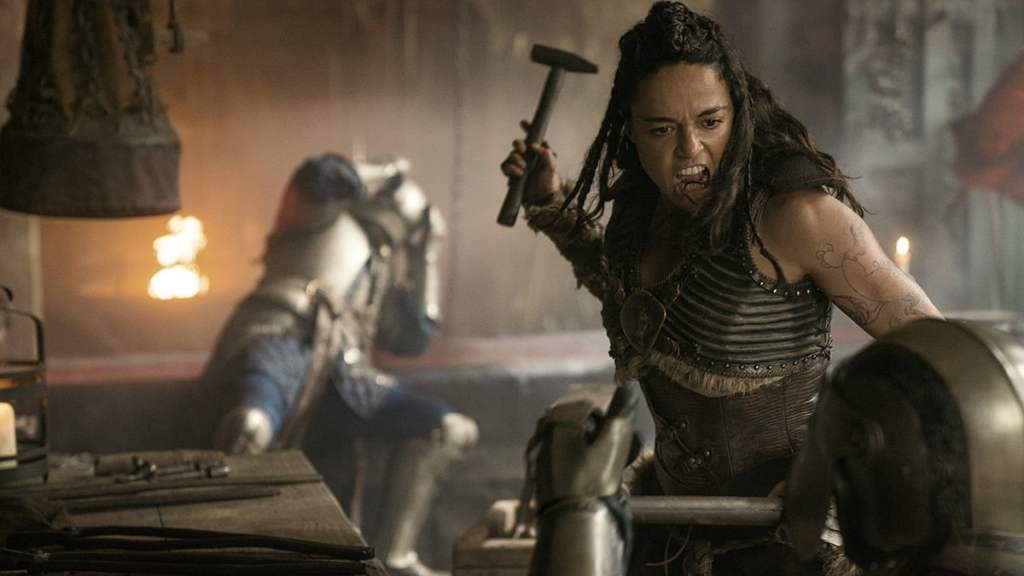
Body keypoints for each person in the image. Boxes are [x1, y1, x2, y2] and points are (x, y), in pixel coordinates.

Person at [499, 2, 941, 573]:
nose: (690, 150)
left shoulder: (794, 216)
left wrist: (838, 464)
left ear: (739, 112)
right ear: (630, 130)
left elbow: (942, 354)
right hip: (672, 538)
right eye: (662, 129)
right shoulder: (640, 218)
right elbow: (637, 306)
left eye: (710, 122)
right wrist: (550, 200)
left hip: (794, 549)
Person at [202, 153, 478, 576]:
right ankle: (219, 557)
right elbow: (319, 175)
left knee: (448, 429)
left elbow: (412, 338)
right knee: (249, 427)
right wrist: (387, 175)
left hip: (342, 376)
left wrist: (426, 253)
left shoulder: (378, 272)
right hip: (281, 338)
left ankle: (396, 560)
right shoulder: (319, 217)